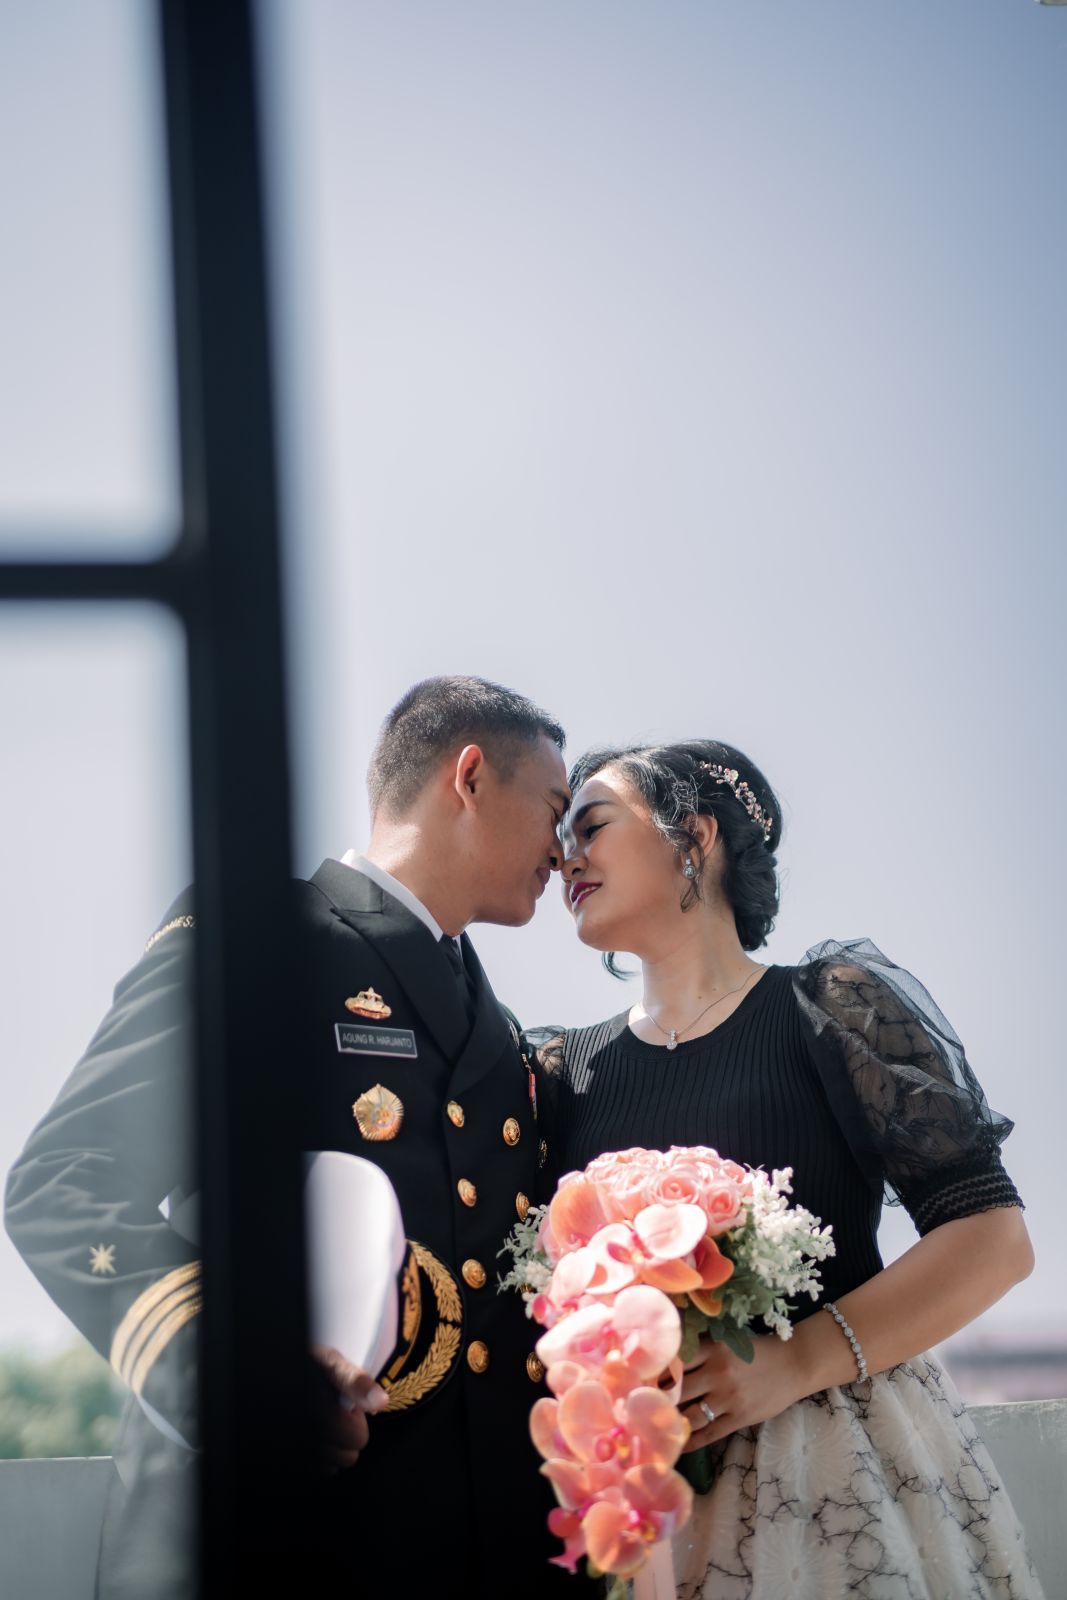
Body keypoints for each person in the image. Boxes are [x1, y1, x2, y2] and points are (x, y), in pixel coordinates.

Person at [5, 674, 596, 1600]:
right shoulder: (261, 934)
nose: (563, 854)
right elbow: (64, 1181)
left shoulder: (501, 1028)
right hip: (280, 1529)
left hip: (473, 1547)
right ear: (471, 776)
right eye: (555, 811)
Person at [530, 738, 1043, 1600]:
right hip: (632, 1493)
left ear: (693, 837)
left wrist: (797, 1360)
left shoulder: (835, 1008)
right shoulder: (557, 1070)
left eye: (592, 826)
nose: (564, 859)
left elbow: (994, 1239)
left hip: (839, 1465)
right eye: (560, 839)